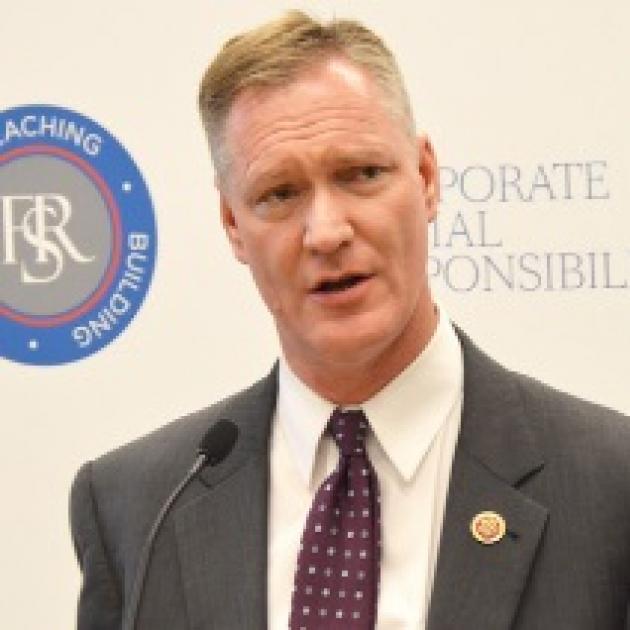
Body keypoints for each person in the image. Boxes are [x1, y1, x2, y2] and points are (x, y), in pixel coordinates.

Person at [70, 11, 630, 630]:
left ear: (425, 178)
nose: (328, 232)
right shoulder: (135, 506)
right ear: (232, 224)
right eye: (280, 193)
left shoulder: (611, 484)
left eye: (361, 174)